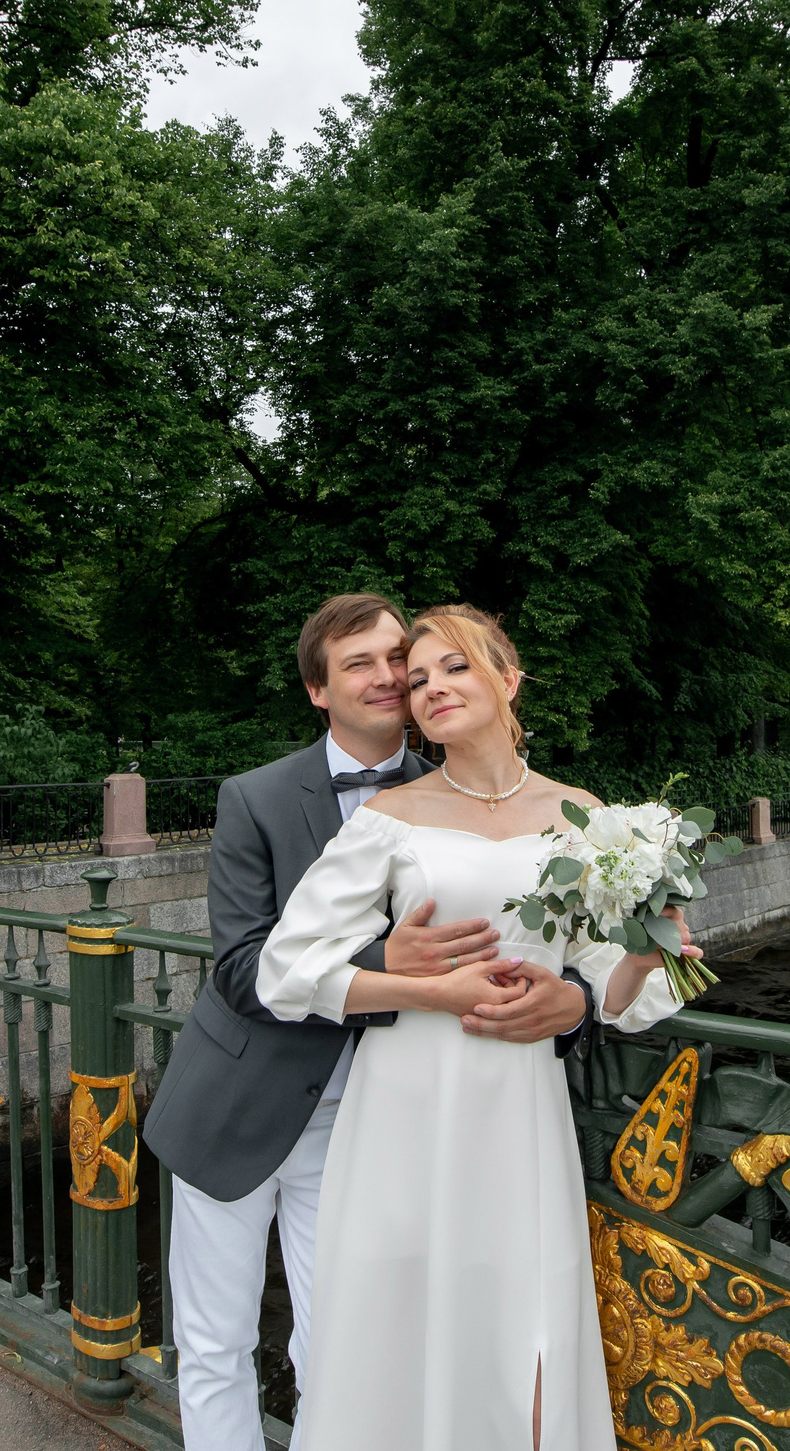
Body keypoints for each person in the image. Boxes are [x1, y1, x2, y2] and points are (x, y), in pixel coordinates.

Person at [141, 594, 591, 1451]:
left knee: (342, 1347)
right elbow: (243, 972)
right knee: (212, 1343)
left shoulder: (461, 792)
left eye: (401, 661)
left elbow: (541, 949)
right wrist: (396, 965)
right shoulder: (257, 795)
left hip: (374, 1121)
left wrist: (567, 1008)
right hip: (240, 1100)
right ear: (318, 689)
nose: (391, 678)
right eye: (363, 664)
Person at [256, 604, 693, 1450]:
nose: (431, 689)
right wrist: (431, 990)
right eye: (418, 680)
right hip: (405, 1103)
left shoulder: (587, 817)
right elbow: (286, 968)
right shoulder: (393, 816)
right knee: (399, 1321)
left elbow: (613, 986)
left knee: (525, 1319)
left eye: (454, 667)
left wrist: (631, 958)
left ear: (509, 677)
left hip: (519, 1102)